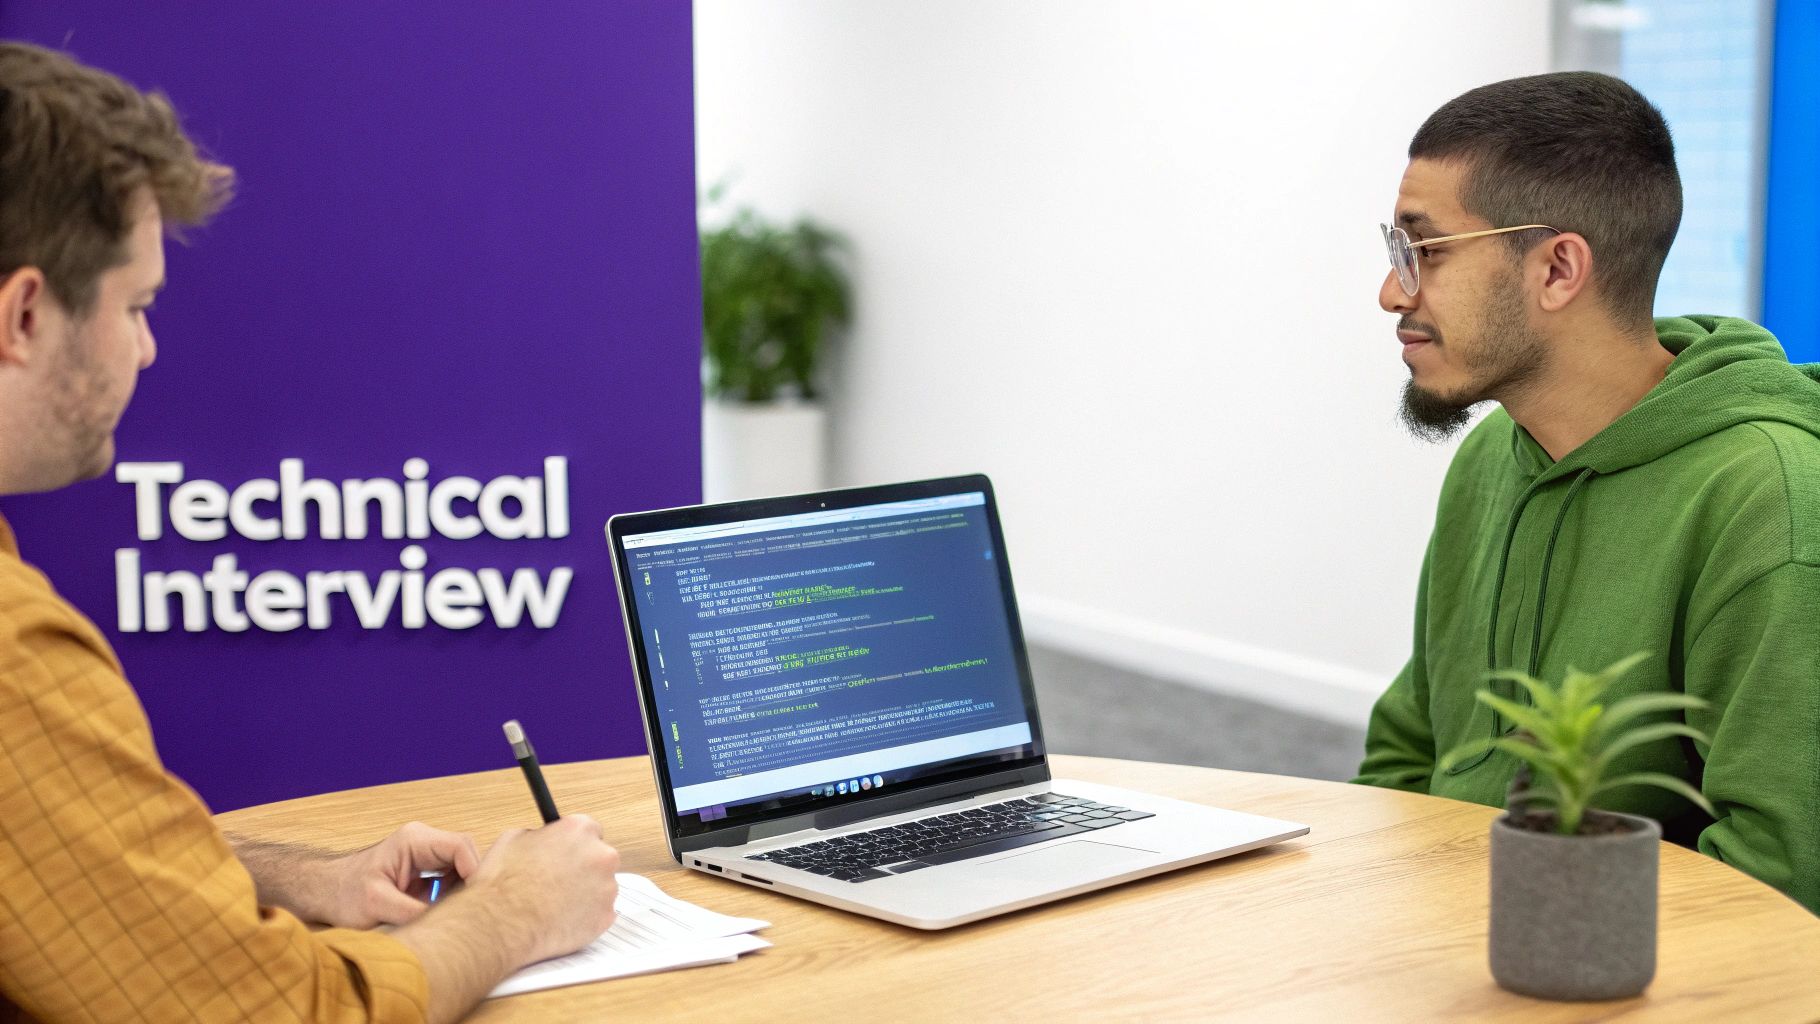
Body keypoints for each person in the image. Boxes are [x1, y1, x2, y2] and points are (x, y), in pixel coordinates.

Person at [0, 42, 622, 1023]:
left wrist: (304, 879)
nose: (149, 349)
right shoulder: (12, 657)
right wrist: (515, 908)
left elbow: (64, 855)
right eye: (137, 307)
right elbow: (288, 1013)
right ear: (26, 313)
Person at [1351, 70, 1820, 914]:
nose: (1394, 291)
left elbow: (1779, 883)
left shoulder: (1770, 498)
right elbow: (1408, 751)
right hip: (1448, 947)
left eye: (1425, 250)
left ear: (1559, 268)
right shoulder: (1495, 453)